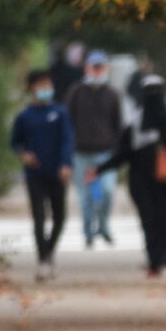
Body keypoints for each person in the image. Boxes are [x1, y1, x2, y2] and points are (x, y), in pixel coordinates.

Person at [90, 75, 166, 275]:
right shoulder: (136, 120)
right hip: (145, 182)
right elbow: (123, 152)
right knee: (151, 220)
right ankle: (155, 262)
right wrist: (100, 169)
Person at [10, 69, 74, 281]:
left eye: (48, 85)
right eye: (41, 85)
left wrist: (66, 164)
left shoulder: (60, 112)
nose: (46, 89)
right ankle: (43, 259)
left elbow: (67, 139)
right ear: (31, 89)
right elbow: (15, 142)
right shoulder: (24, 116)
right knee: (38, 217)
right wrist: (23, 154)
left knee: (60, 217)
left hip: (57, 172)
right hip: (34, 174)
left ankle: (48, 250)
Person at [65, 50, 123, 247]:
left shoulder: (112, 94)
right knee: (85, 195)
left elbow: (118, 125)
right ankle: (88, 229)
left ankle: (104, 225)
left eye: (101, 67)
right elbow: (67, 121)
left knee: (107, 190)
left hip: (105, 152)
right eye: (94, 67)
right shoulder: (76, 92)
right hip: (81, 152)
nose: (97, 71)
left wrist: (117, 152)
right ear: (87, 68)